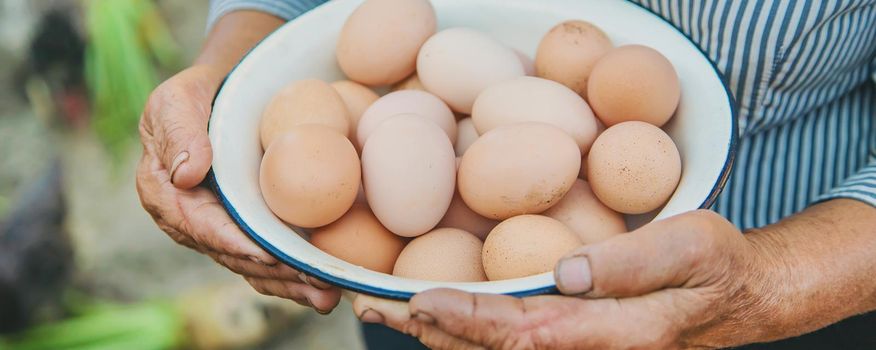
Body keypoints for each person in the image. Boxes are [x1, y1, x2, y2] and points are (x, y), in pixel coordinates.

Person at [137, 0, 876, 349]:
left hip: (799, 283)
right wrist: (225, 75)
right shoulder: (427, 142)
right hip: (429, 303)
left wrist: (777, 282)